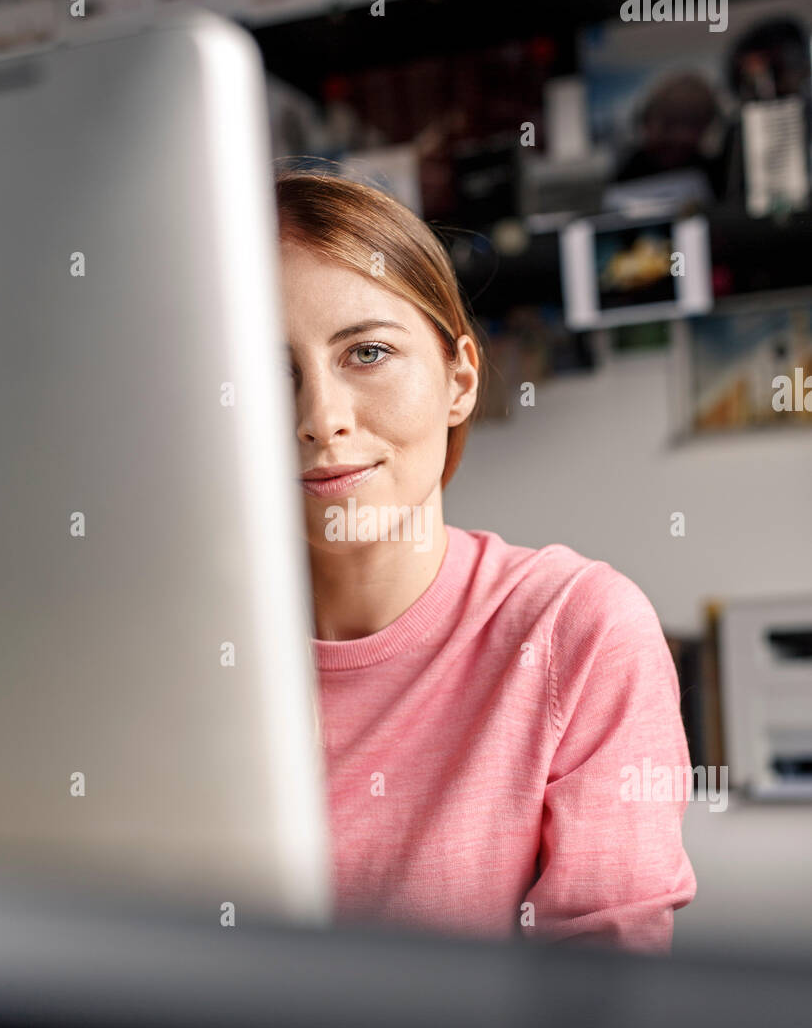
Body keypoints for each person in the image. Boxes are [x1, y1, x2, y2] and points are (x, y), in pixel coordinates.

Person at [276, 168, 697, 953]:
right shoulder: (182, 658)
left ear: (460, 378)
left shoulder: (581, 628)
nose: (320, 420)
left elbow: (603, 1019)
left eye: (367, 352)